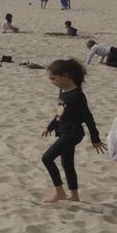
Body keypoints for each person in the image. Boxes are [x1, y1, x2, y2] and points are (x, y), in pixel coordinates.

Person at [41, 58, 107, 204]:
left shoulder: (77, 96)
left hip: (73, 133)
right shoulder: (63, 92)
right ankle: (74, 196)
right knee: (67, 164)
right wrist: (50, 127)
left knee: (47, 158)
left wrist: (95, 138)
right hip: (64, 131)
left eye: (53, 78)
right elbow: (60, 113)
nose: (52, 82)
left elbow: (88, 118)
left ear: (66, 76)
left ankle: (60, 192)